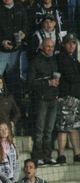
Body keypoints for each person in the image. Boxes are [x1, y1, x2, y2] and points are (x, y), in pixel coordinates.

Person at [0, 0, 29, 95]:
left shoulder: (20, 7)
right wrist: (1, 41)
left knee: (14, 82)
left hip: (16, 51)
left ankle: (14, 107)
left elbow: (26, 25)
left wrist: (23, 34)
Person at [27, 38, 59, 166]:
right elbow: (30, 82)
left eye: (52, 46)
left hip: (53, 99)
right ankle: (37, 156)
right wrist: (47, 82)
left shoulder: (54, 60)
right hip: (41, 100)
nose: (50, 49)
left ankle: (48, 156)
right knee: (39, 130)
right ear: (42, 47)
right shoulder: (35, 61)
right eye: (47, 46)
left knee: (49, 130)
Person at [55, 34, 80, 164]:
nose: (71, 45)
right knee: (63, 127)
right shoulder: (61, 58)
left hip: (75, 99)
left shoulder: (73, 59)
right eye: (69, 43)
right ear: (64, 44)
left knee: (74, 127)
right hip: (66, 98)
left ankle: (77, 153)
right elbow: (72, 77)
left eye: (74, 43)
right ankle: (61, 154)